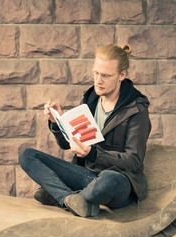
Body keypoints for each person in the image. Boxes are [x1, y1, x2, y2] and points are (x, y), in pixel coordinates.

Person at [19, 44, 151, 217]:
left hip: (120, 180)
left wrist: (93, 154)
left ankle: (61, 194)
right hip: (86, 174)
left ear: (122, 75)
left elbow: (133, 161)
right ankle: (69, 199)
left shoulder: (136, 109)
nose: (98, 80)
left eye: (105, 75)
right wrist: (58, 123)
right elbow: (68, 144)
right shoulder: (91, 99)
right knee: (28, 155)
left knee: (107, 182)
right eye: (96, 73)